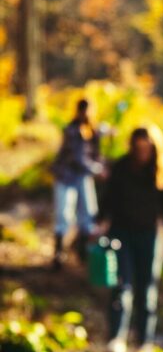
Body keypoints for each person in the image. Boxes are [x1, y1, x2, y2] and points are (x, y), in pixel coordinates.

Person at [97, 125, 163, 352]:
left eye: (146, 148)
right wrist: (99, 223)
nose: (142, 152)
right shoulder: (121, 167)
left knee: (146, 291)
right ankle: (116, 340)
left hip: (149, 235)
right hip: (121, 233)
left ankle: (144, 344)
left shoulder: (161, 170)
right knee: (121, 286)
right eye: (138, 147)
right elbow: (108, 199)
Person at [51, 99, 106, 269]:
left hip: (83, 177)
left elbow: (95, 153)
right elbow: (78, 158)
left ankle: (82, 253)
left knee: (88, 214)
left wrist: (102, 165)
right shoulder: (72, 130)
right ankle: (59, 253)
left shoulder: (92, 131)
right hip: (66, 176)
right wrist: (98, 170)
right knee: (64, 214)